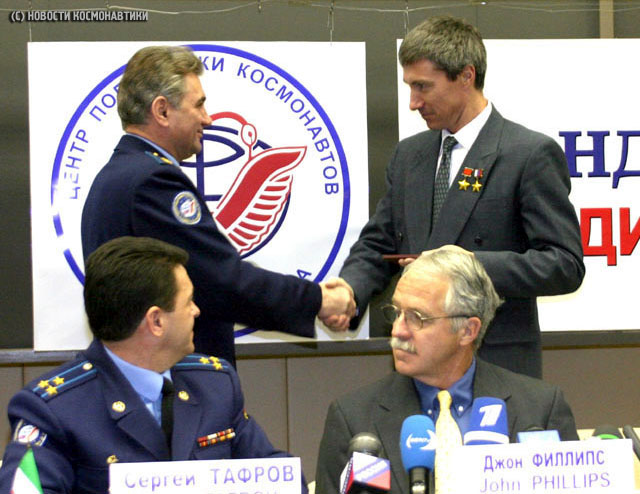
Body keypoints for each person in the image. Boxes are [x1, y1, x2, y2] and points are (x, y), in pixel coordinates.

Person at [325, 16, 584, 378]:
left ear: (466, 76)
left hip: (495, 366)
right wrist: (350, 291)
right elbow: (377, 243)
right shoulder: (408, 156)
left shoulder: (529, 154)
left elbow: (564, 265)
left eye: (423, 87)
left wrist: (467, 266)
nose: (413, 102)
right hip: (417, 365)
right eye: (409, 87)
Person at [81, 45, 355, 366]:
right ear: (162, 111)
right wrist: (318, 300)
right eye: (198, 105)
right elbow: (222, 280)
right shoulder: (152, 181)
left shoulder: (119, 174)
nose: (207, 119)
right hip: (173, 378)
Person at [0, 236, 308, 494]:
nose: (197, 311)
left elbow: (280, 479)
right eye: (188, 301)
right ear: (156, 321)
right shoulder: (51, 410)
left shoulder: (214, 384)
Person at [315, 246, 579, 494]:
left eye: (417, 318)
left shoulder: (540, 410)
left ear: (468, 330)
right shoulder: (354, 419)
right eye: (397, 313)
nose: (398, 331)